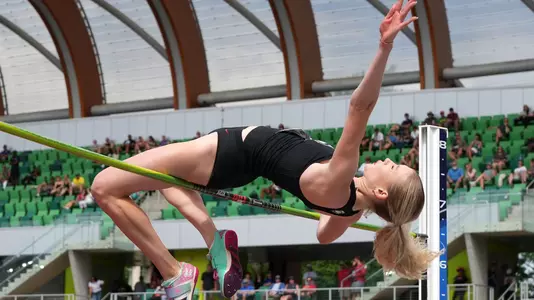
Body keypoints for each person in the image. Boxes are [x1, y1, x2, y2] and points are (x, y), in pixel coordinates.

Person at [91, 2, 437, 299]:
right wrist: (365, 212)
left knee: (104, 187)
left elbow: (360, 107)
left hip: (230, 151)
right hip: (236, 161)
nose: (391, 159)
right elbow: (323, 235)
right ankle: (214, 239)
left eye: (394, 168)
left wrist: (384, 46)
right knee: (166, 179)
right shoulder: (345, 206)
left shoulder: (340, 179)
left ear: (380, 191)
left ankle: (173, 271)